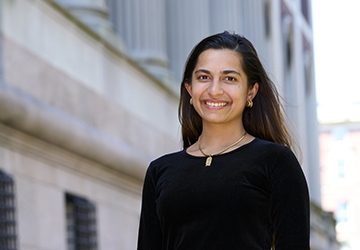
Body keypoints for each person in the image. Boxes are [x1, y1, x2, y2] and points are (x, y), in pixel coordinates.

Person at [137, 31, 310, 250]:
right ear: (189, 89)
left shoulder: (275, 161)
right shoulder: (160, 171)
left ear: (251, 91)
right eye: (204, 77)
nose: (214, 90)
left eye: (229, 78)